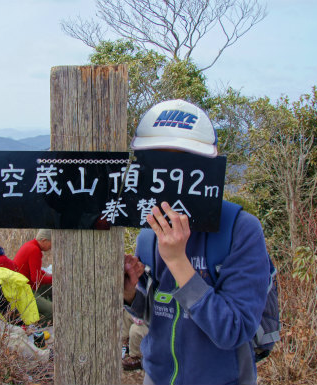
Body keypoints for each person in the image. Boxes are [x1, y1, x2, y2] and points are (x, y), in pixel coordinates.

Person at [123, 99, 270, 385]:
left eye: (182, 161)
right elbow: (155, 313)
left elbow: (234, 330)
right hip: (157, 377)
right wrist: (130, 295)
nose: (168, 175)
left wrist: (178, 261)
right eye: (156, 161)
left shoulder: (240, 230)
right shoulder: (149, 233)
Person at [13, 229, 53, 324]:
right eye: (51, 243)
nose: (51, 247)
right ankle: (34, 322)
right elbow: (36, 279)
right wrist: (54, 279)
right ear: (44, 240)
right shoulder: (34, 250)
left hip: (26, 287)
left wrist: (46, 275)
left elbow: (34, 269)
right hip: (25, 290)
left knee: (52, 287)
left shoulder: (29, 245)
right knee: (53, 312)